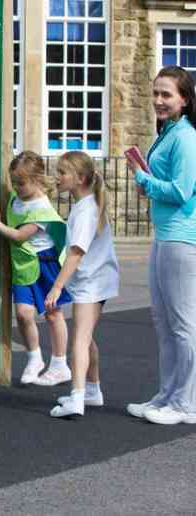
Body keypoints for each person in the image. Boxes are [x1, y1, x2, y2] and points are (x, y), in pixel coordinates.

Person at [129, 66, 196, 425]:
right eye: (156, 93)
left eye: (166, 94)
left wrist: (145, 181)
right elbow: (166, 185)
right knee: (163, 321)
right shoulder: (167, 133)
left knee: (184, 324)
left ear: (184, 99)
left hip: (183, 238)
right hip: (165, 235)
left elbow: (183, 191)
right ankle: (168, 395)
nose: (158, 100)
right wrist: (148, 183)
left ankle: (187, 404)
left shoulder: (186, 137)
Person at [0, 151, 72, 386]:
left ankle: (60, 362)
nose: (16, 187)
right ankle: (34, 358)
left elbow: (19, 236)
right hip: (23, 265)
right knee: (24, 313)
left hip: (44, 263)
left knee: (53, 314)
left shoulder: (41, 208)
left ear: (36, 179)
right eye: (14, 182)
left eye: (21, 183)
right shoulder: (17, 198)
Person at [47, 151, 119, 418]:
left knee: (79, 339)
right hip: (94, 279)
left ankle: (77, 399)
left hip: (93, 282)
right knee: (86, 338)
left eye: (62, 172)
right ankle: (92, 390)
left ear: (79, 178)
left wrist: (56, 287)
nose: (57, 177)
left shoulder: (87, 211)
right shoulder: (84, 205)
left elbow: (76, 253)